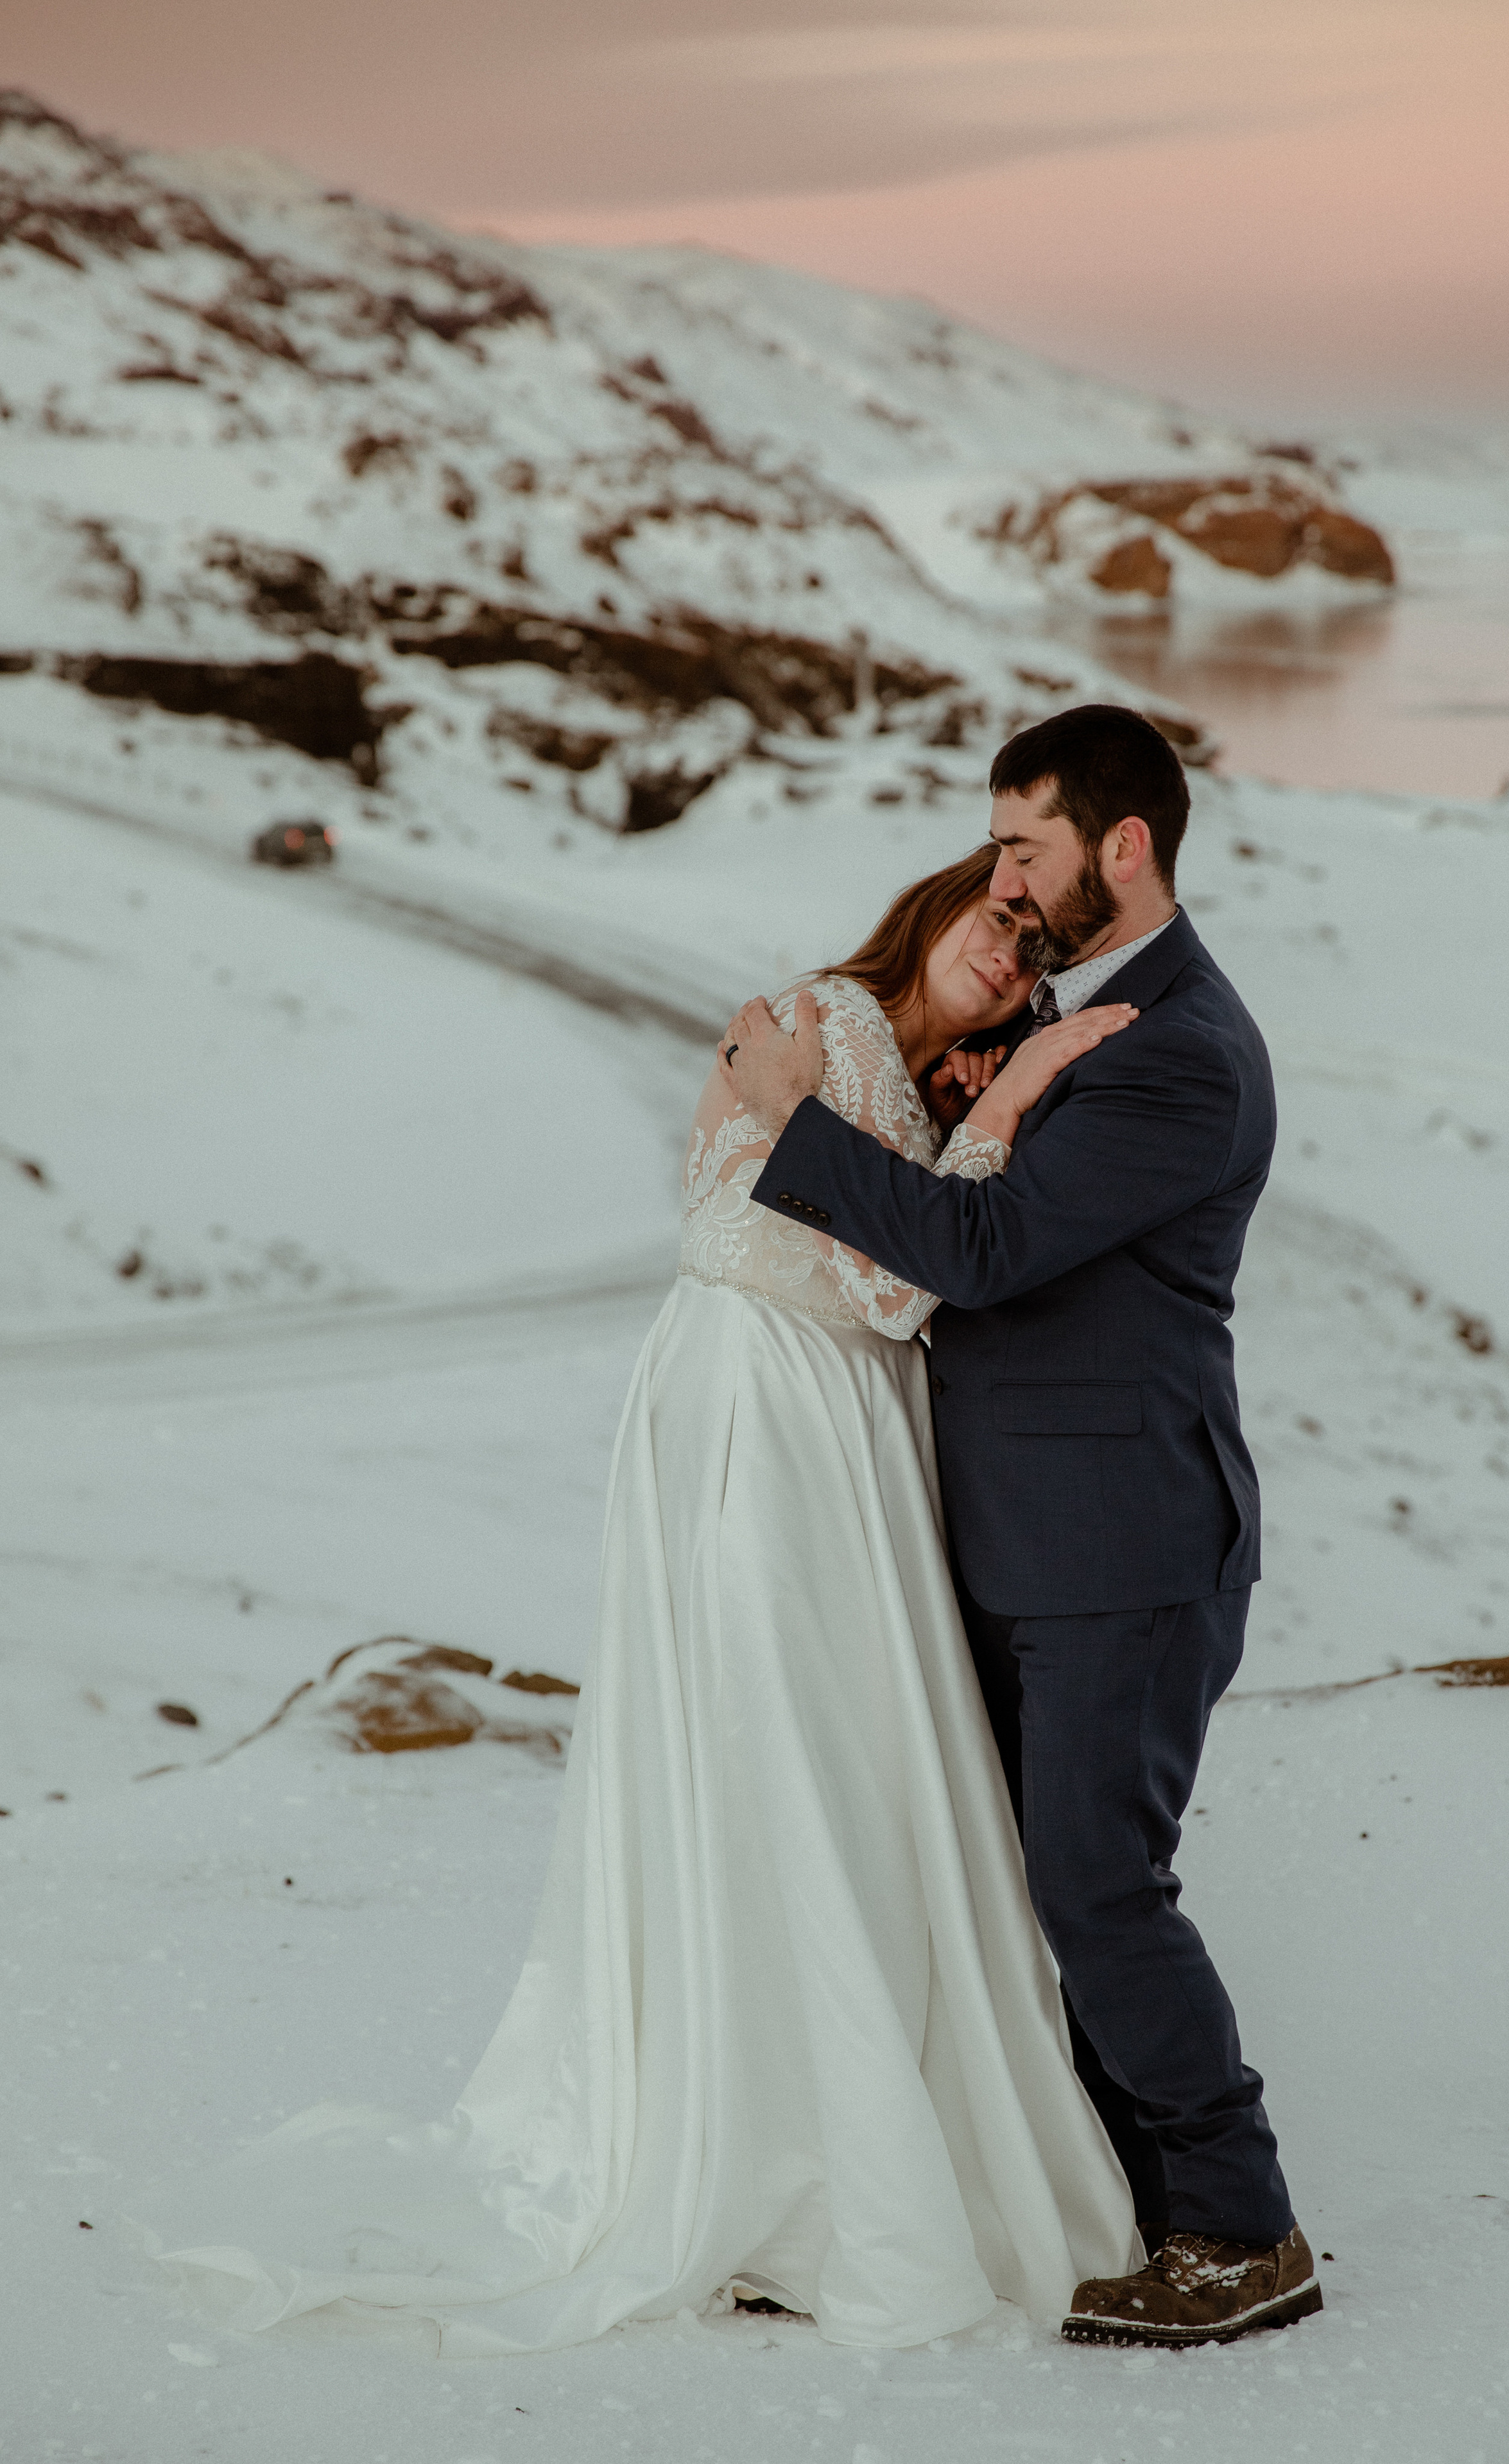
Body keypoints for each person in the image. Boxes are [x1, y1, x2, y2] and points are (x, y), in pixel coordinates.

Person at [151, 844, 1144, 2354]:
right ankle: (786, 2159)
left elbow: (880, 1253)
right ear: (930, 904)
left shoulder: (871, 1063)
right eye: (994, 917)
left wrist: (960, 1128)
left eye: (1032, 953)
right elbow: (892, 1291)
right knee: (788, 1757)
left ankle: (785, 2137)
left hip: (807, 1414)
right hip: (769, 1409)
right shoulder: (832, 1024)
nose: (1009, 954)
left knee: (806, 1761)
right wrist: (1000, 1113)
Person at [721, 703, 1322, 2350]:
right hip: (1024, 1541)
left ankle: (1236, 2226)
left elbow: (979, 1255)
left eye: (1024, 848)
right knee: (1011, 1884)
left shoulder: (1178, 1049)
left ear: (1121, 847)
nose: (1002, 877)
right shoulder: (1098, 1017)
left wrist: (795, 1122)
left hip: (1120, 1547)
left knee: (1095, 1888)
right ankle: (1077, 2191)